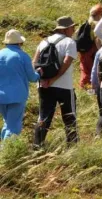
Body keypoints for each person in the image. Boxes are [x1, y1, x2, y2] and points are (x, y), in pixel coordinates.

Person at [33, 16, 79, 147]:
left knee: (43, 116)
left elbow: (34, 62)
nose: (74, 30)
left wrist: (42, 79)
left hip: (44, 85)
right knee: (69, 116)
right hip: (64, 86)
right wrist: (54, 79)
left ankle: (37, 146)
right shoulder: (69, 42)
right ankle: (72, 147)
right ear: (66, 29)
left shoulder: (43, 42)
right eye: (72, 27)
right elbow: (66, 63)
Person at [0, 30, 41, 140]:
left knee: (7, 122)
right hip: (17, 96)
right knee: (14, 126)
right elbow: (32, 77)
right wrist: (39, 74)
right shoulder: (22, 56)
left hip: (1, 96)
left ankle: (3, 147)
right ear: (20, 42)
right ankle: (7, 152)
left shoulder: (0, 54)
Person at [78, 4, 102, 89]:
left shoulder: (86, 22)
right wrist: (101, 50)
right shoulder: (96, 24)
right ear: (100, 14)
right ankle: (89, 88)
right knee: (92, 69)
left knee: (84, 68)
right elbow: (96, 39)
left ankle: (84, 86)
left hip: (82, 50)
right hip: (91, 51)